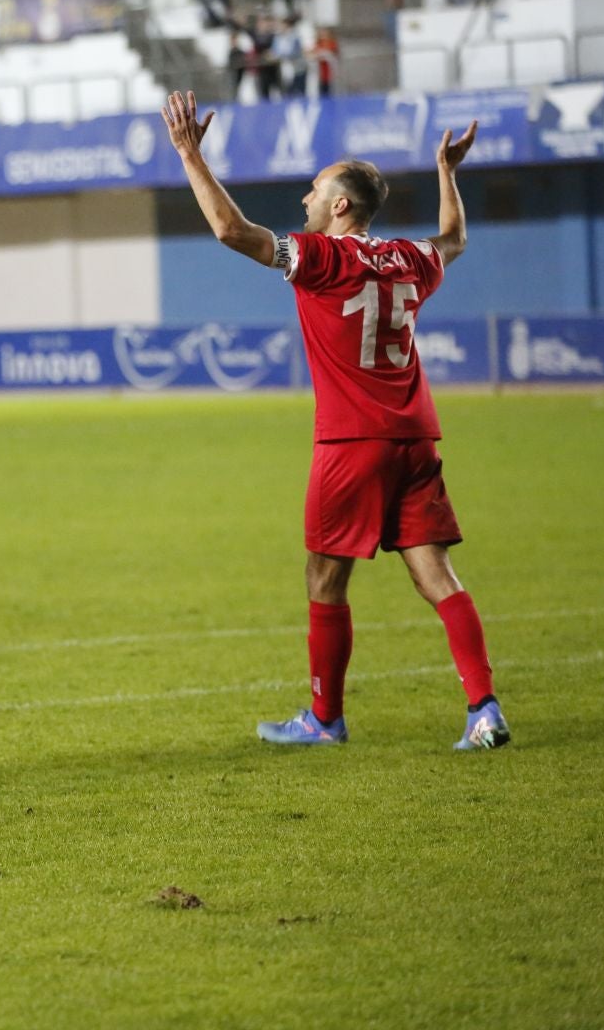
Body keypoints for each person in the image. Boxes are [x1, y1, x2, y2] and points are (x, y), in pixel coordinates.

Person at [159, 91, 509, 752]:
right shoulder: (410, 258)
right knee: (436, 576)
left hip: (351, 443)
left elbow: (233, 232)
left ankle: (325, 719)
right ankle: (483, 708)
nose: (305, 201)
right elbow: (454, 239)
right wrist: (448, 173)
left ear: (341, 206)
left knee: (325, 578)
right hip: (415, 439)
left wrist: (188, 154)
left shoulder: (323, 260)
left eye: (315, 191)